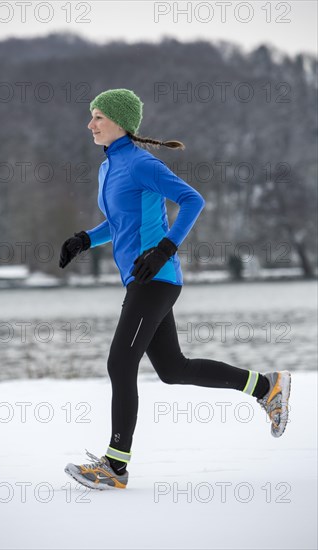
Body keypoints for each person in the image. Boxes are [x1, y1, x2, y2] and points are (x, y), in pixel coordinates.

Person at [60, 89, 291, 491]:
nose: (91, 124)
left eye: (98, 116)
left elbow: (192, 199)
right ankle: (265, 386)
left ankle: (115, 466)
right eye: (91, 116)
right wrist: (84, 239)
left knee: (120, 363)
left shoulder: (140, 163)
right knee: (173, 369)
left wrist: (165, 248)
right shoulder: (109, 167)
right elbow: (119, 223)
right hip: (142, 280)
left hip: (156, 279)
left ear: (120, 122)